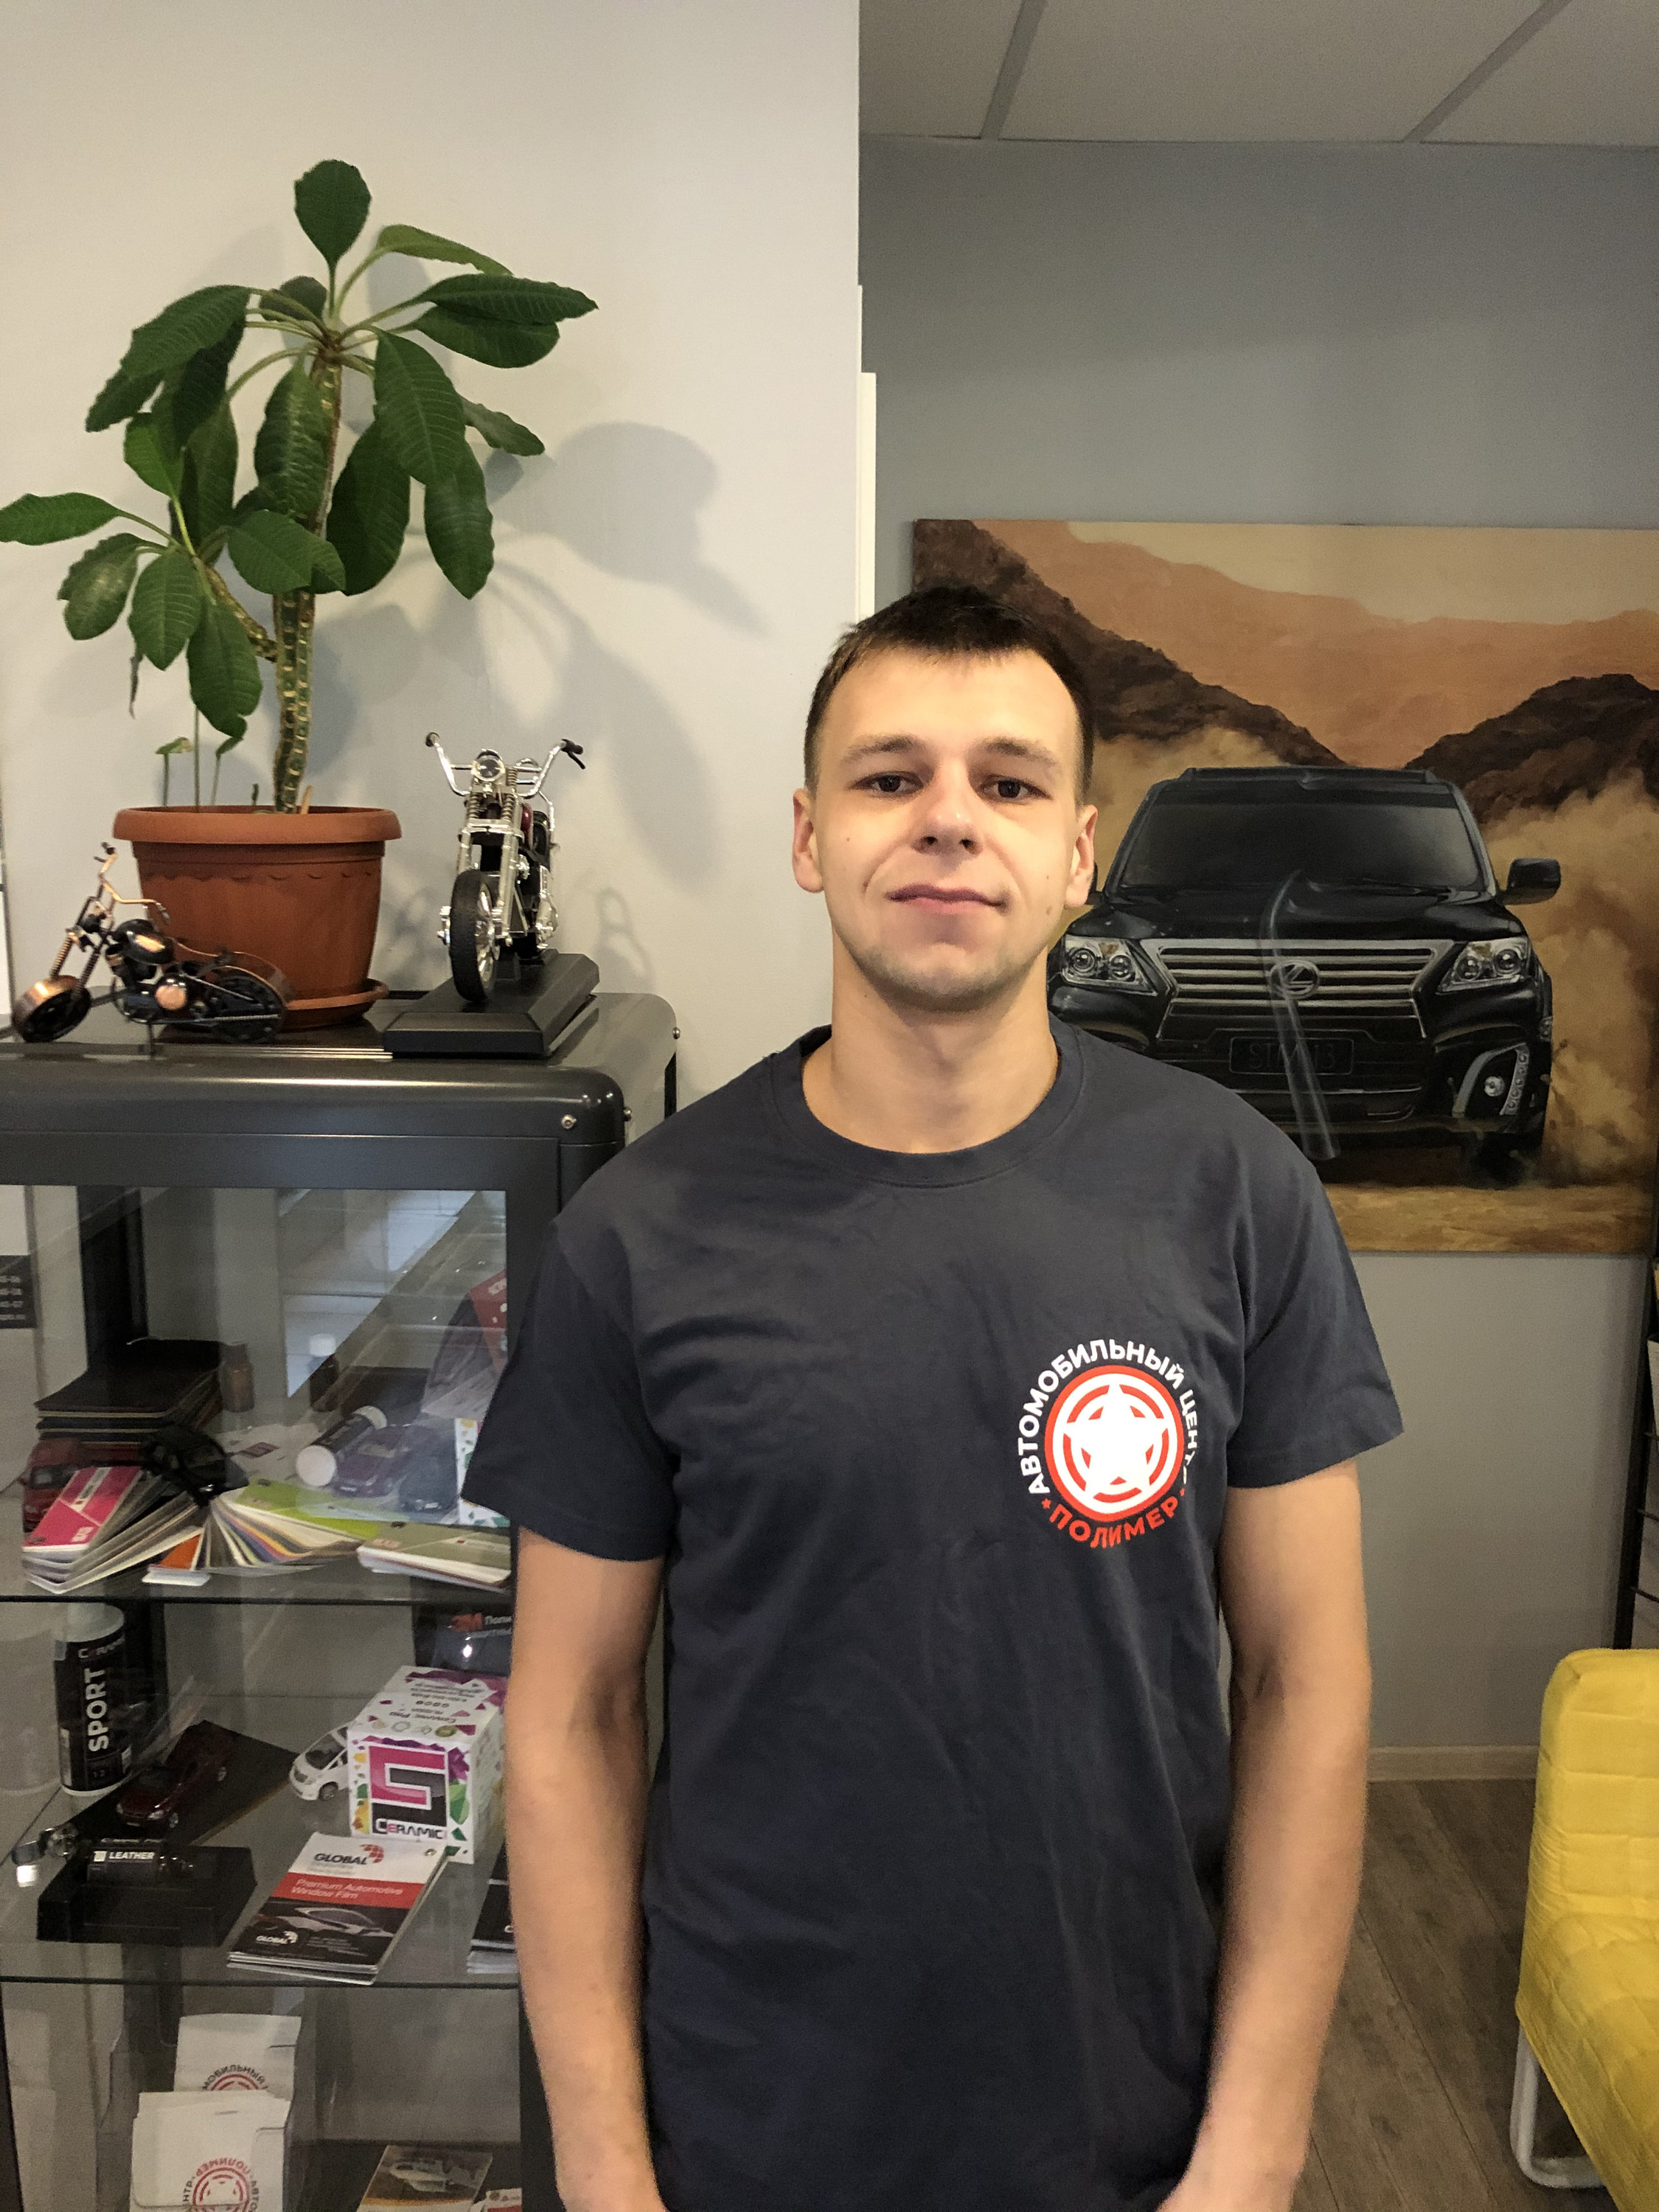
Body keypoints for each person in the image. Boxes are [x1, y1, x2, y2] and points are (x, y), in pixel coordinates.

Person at [462, 583, 1403, 2212]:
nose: (949, 819)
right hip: (748, 2125)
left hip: (1133, 2115)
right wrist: (606, 2171)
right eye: (891, 776)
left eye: (1009, 782)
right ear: (810, 836)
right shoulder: (641, 1235)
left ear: (1079, 853)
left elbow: (1305, 1685)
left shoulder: (1235, 1197)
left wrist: (1257, 2145)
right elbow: (565, 1721)